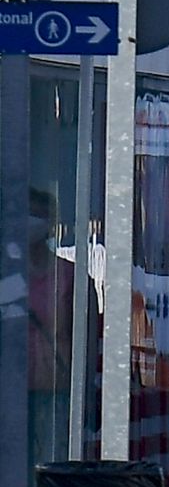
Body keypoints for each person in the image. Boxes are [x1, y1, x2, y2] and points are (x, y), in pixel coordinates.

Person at [26, 187, 73, 466]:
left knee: (48, 470)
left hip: (54, 392)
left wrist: (88, 394)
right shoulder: (6, 273)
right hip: (9, 393)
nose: (31, 221)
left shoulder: (69, 277)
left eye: (38, 214)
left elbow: (86, 341)